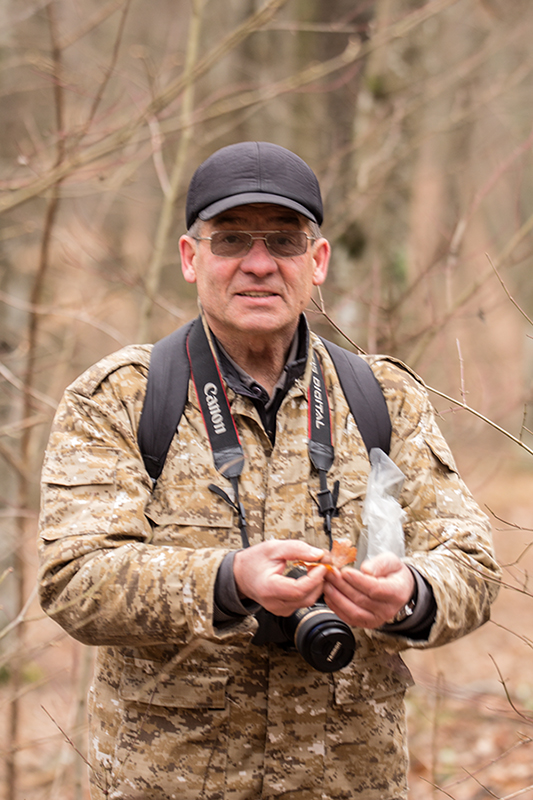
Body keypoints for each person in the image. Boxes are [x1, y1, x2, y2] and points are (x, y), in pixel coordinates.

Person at [38, 141, 500, 800]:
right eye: (230, 240)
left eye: (283, 241)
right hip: (169, 785)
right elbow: (74, 578)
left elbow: (473, 565)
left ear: (318, 262)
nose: (258, 264)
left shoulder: (383, 398)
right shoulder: (122, 397)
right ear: (190, 258)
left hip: (350, 782)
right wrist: (227, 581)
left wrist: (411, 594)